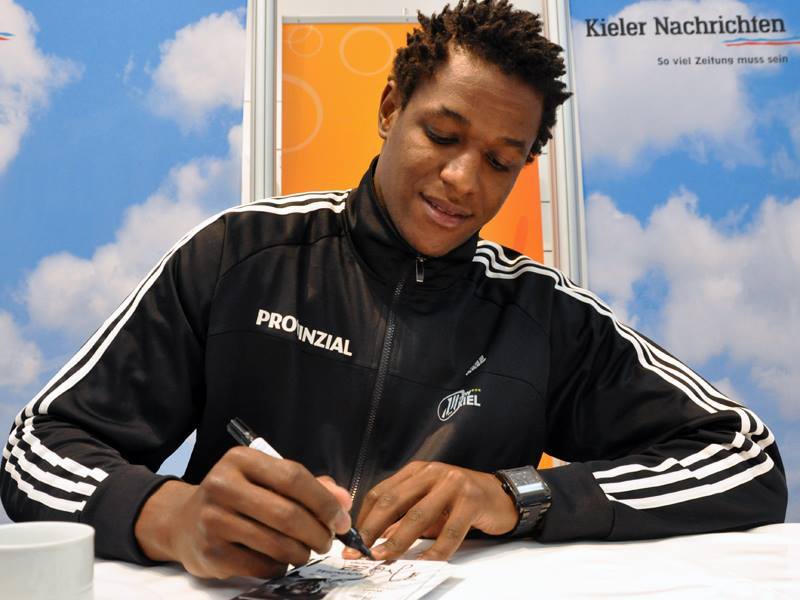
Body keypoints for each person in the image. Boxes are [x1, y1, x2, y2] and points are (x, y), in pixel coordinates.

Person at [0, 0, 787, 582]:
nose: (463, 179)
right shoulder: (241, 254)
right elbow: (39, 445)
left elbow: (745, 458)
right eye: (443, 135)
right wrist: (168, 517)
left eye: (500, 161)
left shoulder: (544, 317)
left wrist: (516, 495)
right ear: (389, 109)